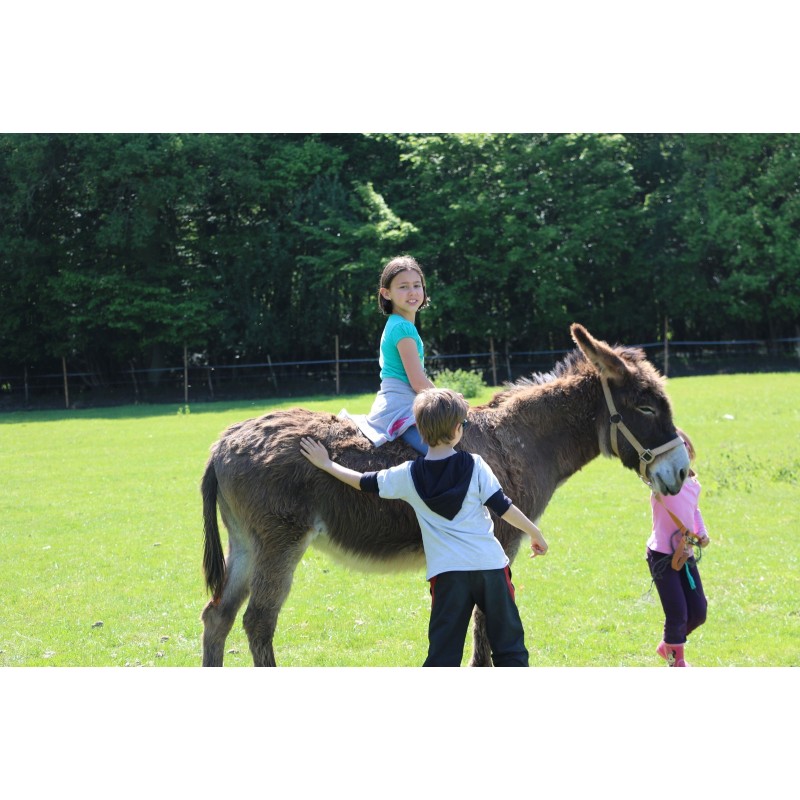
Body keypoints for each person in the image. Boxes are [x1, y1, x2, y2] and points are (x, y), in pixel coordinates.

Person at [301, 387, 549, 667]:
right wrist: (534, 532)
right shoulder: (476, 465)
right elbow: (503, 507)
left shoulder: (407, 475)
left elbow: (363, 481)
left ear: (419, 430)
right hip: (490, 570)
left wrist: (326, 464)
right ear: (458, 429)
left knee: (442, 658)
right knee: (511, 651)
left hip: (448, 578)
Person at [342, 255, 434, 455]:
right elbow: (418, 383)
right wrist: (449, 398)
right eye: (403, 287)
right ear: (386, 293)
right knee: (442, 455)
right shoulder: (402, 328)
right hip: (402, 406)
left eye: (417, 285)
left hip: (400, 400)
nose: (412, 292)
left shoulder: (397, 324)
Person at [646, 428, 710, 667]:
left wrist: (701, 533)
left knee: (698, 612)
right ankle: (676, 662)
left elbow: (694, 511)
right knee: (677, 614)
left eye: (684, 446)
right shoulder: (661, 483)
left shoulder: (694, 485)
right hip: (662, 556)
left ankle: (668, 646)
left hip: (685, 554)